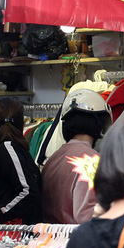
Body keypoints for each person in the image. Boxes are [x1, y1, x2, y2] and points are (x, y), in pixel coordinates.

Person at [41, 89, 112, 224]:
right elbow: (86, 215)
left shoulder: (52, 159)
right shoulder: (91, 160)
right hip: (75, 235)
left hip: (48, 235)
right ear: (99, 124)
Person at [0, 98, 42, 224]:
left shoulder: (7, 148)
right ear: (22, 124)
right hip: (15, 230)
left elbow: (28, 192)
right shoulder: (12, 150)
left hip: (9, 231)